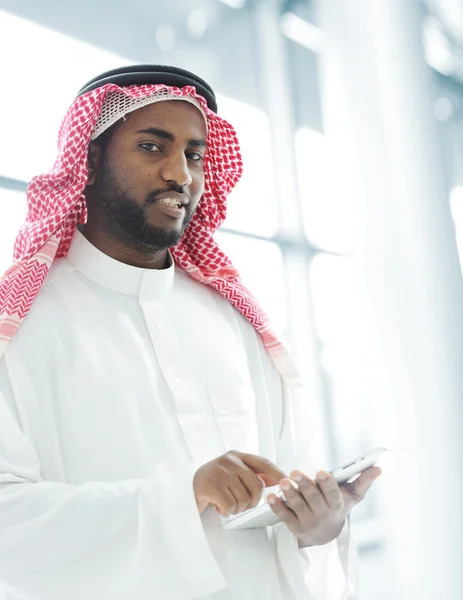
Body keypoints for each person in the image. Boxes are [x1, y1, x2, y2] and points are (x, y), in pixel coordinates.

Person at [0, 65, 380, 600]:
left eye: (195, 154)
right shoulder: (20, 323)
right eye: (153, 147)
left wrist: (318, 525)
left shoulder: (231, 317)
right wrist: (183, 495)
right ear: (87, 160)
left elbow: (287, 484)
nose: (180, 173)